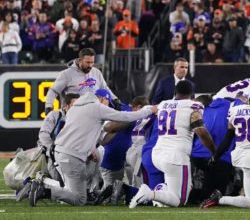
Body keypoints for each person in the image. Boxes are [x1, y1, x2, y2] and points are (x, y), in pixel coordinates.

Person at [28, 85, 156, 206]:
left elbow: (96, 136)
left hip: (62, 152)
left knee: (84, 179)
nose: (107, 106)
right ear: (103, 99)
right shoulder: (97, 107)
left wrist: (92, 146)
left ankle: (88, 192)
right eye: (107, 103)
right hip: (71, 155)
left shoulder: (76, 107)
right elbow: (124, 116)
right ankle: (44, 189)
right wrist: (148, 111)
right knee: (79, 199)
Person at [129, 80, 217, 208]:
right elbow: (201, 132)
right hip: (176, 156)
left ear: (175, 92)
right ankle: (149, 193)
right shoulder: (194, 106)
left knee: (179, 190)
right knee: (180, 200)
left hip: (157, 154)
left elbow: (149, 113)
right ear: (191, 94)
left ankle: (159, 191)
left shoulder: (163, 104)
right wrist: (214, 151)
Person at [45, 48, 117, 112]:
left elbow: (105, 89)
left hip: (94, 115)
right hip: (73, 115)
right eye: (87, 62)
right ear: (80, 60)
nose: (90, 66)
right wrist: (48, 106)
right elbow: (53, 90)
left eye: (92, 62)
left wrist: (115, 99)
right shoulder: (66, 74)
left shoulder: (96, 72)